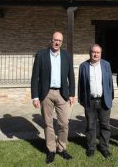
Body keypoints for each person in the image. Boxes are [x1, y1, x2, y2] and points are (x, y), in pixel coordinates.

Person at [30, 31, 75, 164]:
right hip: (46, 93)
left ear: (62, 42)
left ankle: (61, 148)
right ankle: (51, 150)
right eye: (55, 40)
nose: (57, 42)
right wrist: (35, 97)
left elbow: (71, 76)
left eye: (59, 41)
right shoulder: (41, 55)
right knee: (48, 123)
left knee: (64, 123)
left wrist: (72, 94)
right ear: (51, 40)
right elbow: (34, 77)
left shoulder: (67, 55)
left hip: (62, 93)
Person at [78, 44, 114, 158]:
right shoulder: (83, 66)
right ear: (90, 53)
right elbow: (80, 84)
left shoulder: (106, 64)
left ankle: (104, 147)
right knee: (90, 125)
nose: (95, 54)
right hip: (90, 101)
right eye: (93, 52)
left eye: (98, 52)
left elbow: (110, 83)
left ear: (100, 53)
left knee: (105, 125)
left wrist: (110, 96)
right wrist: (81, 99)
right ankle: (91, 147)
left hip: (104, 100)